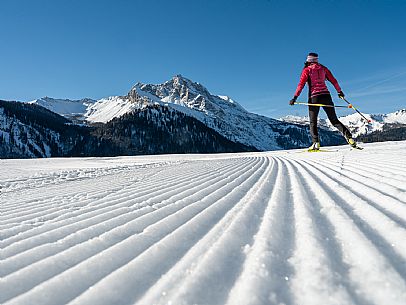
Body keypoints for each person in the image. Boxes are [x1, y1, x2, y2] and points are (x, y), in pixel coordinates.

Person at [290, 52, 357, 150]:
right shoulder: (324, 69)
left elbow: (301, 85)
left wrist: (295, 97)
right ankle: (349, 138)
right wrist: (340, 91)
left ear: (308, 61)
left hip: (314, 97)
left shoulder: (306, 70)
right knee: (334, 120)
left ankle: (316, 143)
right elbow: (333, 80)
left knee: (313, 122)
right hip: (326, 96)